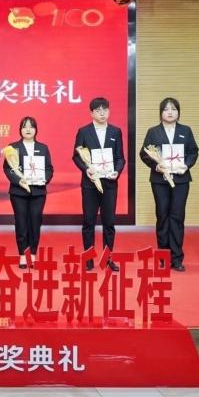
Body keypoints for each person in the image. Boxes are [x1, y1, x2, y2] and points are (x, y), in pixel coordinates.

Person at [139, 97, 199, 272]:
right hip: (160, 181)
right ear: (161, 113)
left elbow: (193, 152)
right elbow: (144, 153)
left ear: (178, 112)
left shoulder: (186, 130)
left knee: (177, 217)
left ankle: (177, 258)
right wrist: (156, 166)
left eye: (173, 109)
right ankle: (163, 257)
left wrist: (186, 165)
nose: (170, 112)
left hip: (181, 180)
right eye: (166, 109)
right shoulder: (153, 132)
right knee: (162, 216)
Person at [71, 97, 126, 271]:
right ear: (91, 113)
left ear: (109, 111)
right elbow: (76, 156)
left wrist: (117, 171)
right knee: (89, 221)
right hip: (90, 183)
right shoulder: (84, 131)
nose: (102, 113)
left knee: (109, 222)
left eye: (105, 110)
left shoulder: (115, 131)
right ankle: (88, 258)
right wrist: (86, 169)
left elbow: (120, 158)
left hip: (109, 183)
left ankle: (108, 258)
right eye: (98, 110)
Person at [3, 117, 54, 270]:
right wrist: (19, 181)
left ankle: (32, 253)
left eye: (31, 127)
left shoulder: (43, 148)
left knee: (35, 222)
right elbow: (7, 168)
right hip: (18, 192)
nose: (28, 129)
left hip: (38, 192)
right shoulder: (13, 148)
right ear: (20, 130)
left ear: (36, 130)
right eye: (25, 127)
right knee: (21, 222)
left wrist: (44, 179)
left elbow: (49, 169)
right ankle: (22, 254)